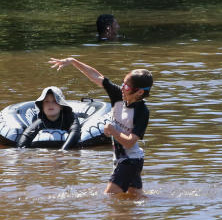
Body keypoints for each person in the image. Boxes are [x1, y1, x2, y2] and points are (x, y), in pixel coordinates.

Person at [48, 57, 153, 196]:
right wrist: (73, 61)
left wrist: (113, 131)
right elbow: (97, 76)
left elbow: (129, 142)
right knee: (135, 198)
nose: (122, 87)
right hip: (126, 160)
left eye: (127, 87)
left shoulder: (142, 112)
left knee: (108, 198)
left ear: (139, 92)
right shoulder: (118, 96)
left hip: (130, 161)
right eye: (123, 83)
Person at [16, 86, 81, 151]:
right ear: (42, 106)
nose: (50, 105)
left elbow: (75, 132)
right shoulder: (40, 122)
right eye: (46, 101)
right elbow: (25, 138)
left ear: (61, 106)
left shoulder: (70, 117)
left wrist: (63, 149)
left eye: (55, 101)